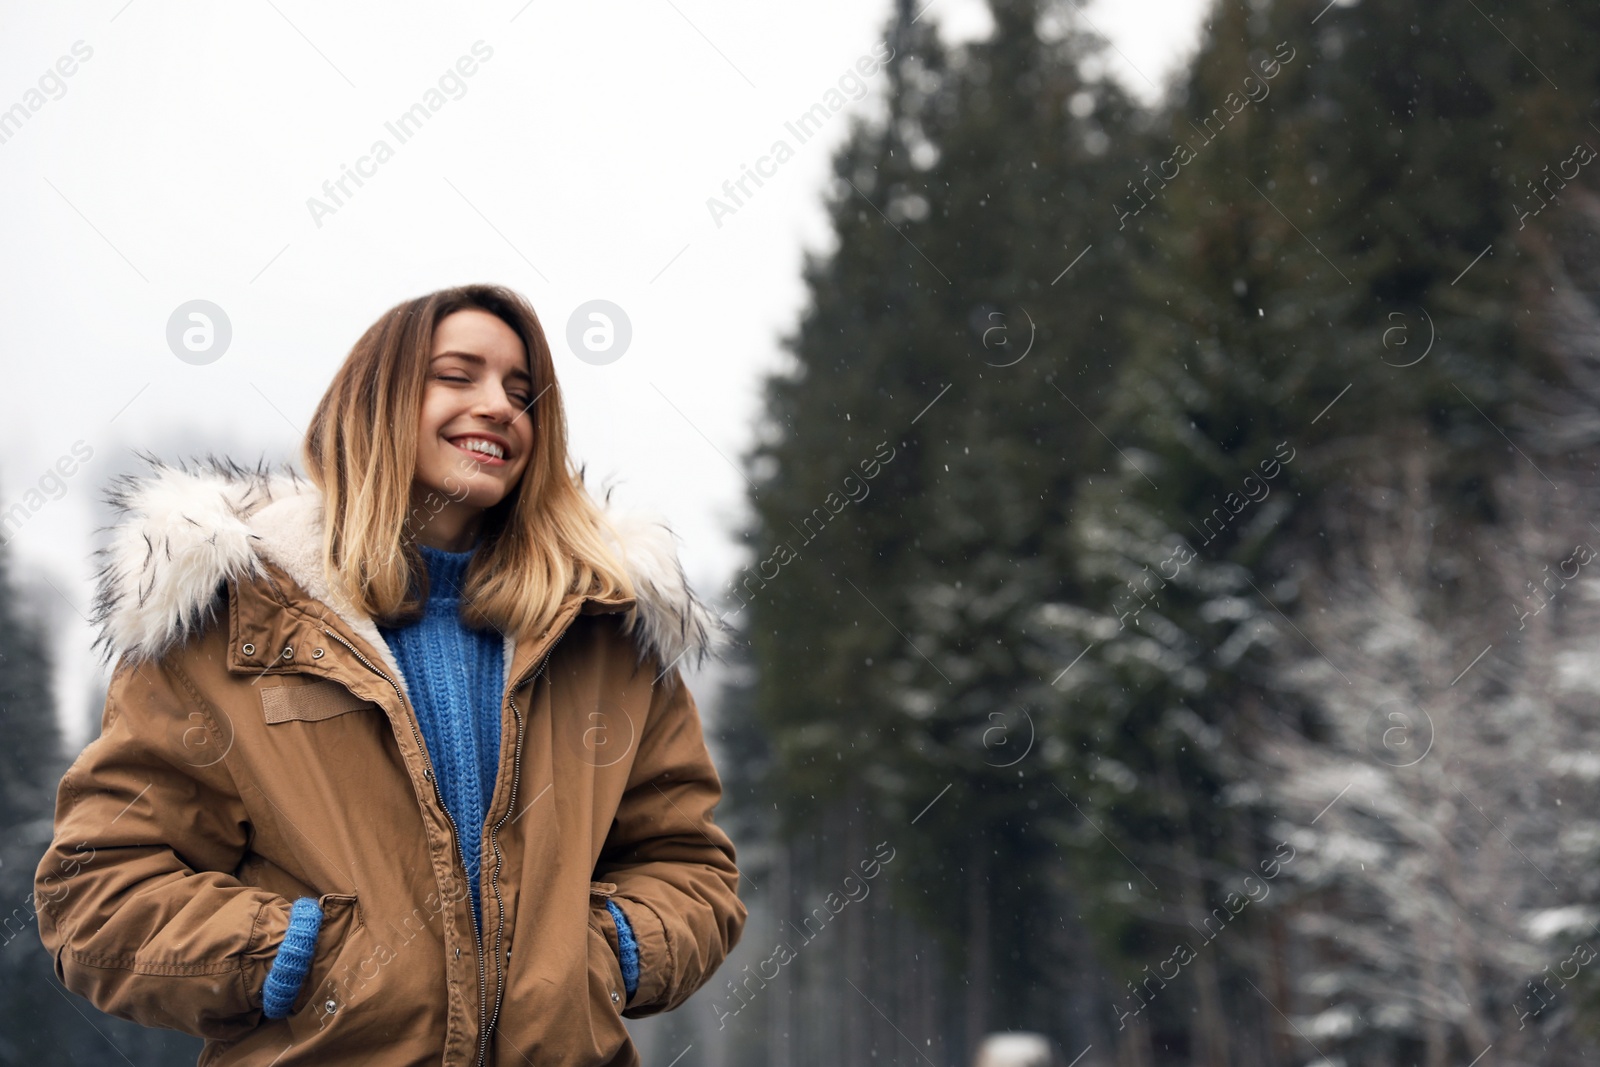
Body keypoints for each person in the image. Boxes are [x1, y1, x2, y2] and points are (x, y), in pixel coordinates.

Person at [32, 283, 747, 1065]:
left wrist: (608, 954)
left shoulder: (607, 633)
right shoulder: (233, 624)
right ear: (376, 400)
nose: (500, 406)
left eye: (521, 390)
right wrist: (299, 952)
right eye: (458, 374)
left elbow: (691, 868)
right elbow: (97, 892)